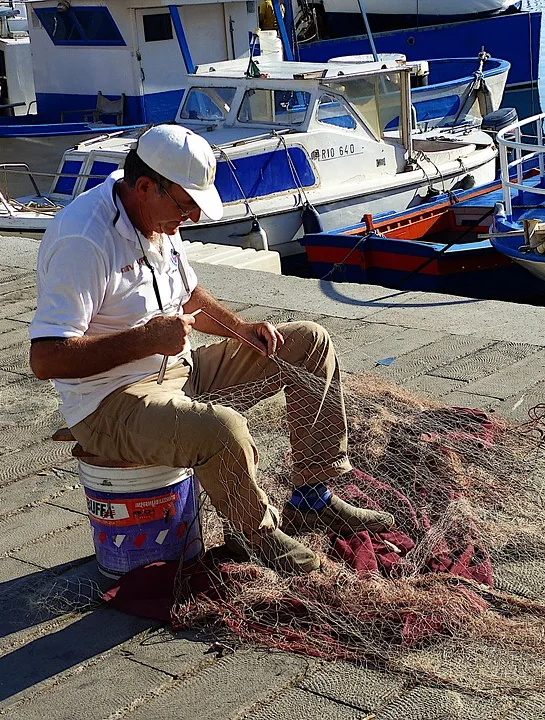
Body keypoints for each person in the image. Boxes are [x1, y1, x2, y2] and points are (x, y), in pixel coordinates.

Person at [29, 124, 394, 574]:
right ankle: (255, 534)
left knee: (308, 343)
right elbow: (46, 358)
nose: (192, 219)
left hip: (175, 370)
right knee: (224, 430)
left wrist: (241, 329)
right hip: (108, 402)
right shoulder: (83, 241)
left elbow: (189, 297)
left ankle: (312, 497)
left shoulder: (155, 215)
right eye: (185, 206)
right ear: (146, 186)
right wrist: (147, 339)